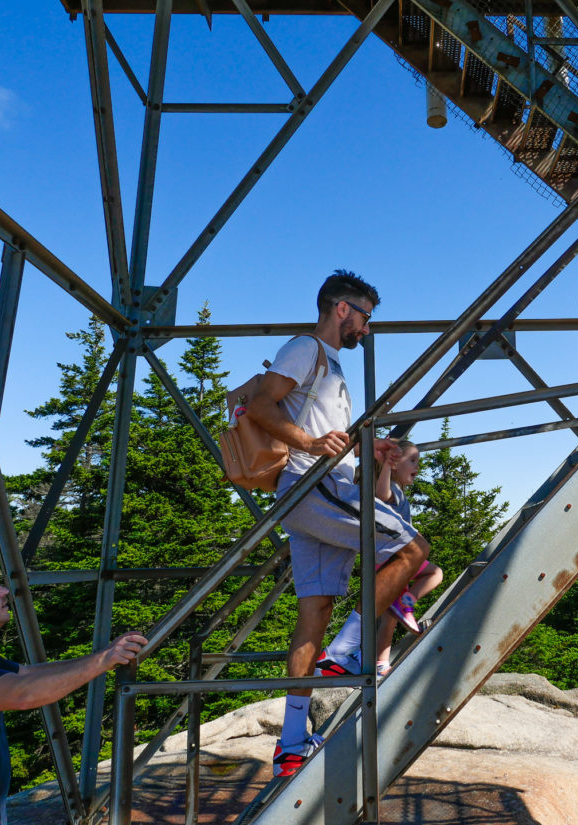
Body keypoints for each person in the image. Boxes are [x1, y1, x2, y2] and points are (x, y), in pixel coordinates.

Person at [246, 270, 430, 778]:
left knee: (316, 609)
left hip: (313, 490)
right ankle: (345, 653)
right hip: (315, 485)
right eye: (365, 317)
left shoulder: (326, 365)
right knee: (413, 547)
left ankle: (289, 743)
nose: (366, 330)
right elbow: (260, 404)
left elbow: (317, 426)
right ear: (342, 309)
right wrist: (308, 446)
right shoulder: (307, 349)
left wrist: (368, 448)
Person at [0, 559, 147, 825]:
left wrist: (104, 655)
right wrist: (104, 661)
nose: (4, 592)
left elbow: (28, 673)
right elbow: (24, 695)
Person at [373, 440, 443, 677]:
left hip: (389, 556)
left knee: (390, 618)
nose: (417, 466)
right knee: (435, 573)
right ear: (394, 464)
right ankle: (408, 600)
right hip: (393, 558)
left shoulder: (400, 492)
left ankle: (381, 662)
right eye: (412, 460)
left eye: (418, 461)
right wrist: (385, 467)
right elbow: (381, 494)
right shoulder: (391, 487)